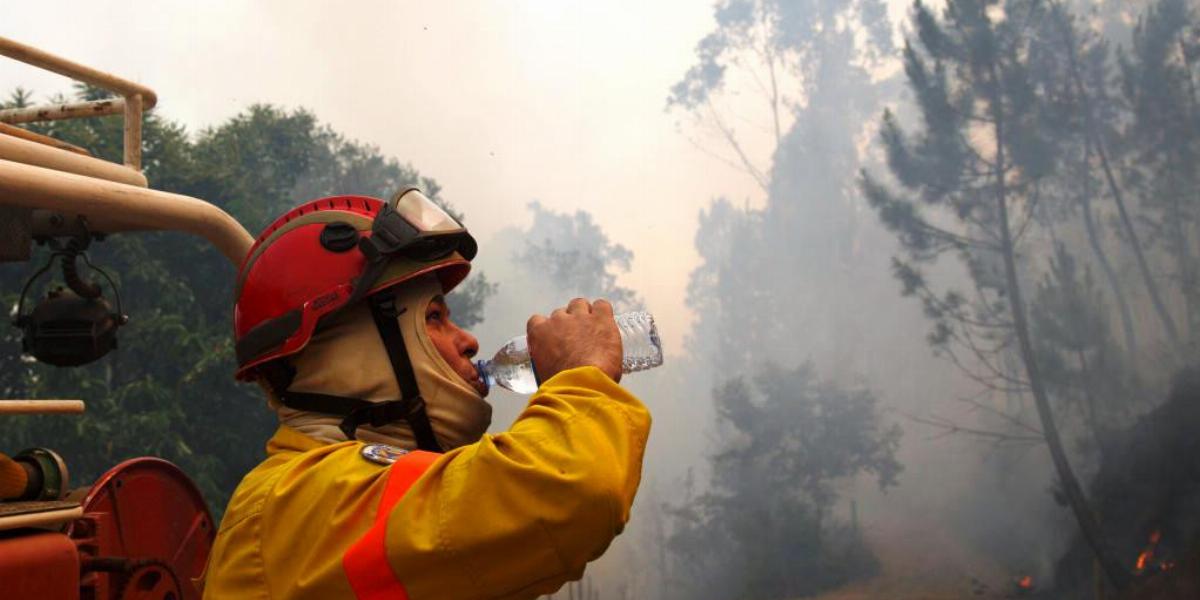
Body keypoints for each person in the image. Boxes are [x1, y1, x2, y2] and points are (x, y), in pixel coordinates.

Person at [202, 189, 651, 600]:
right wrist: (584, 370)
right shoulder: (298, 504)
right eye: (434, 318)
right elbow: (571, 494)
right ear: (352, 350)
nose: (469, 341)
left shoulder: (330, 496)